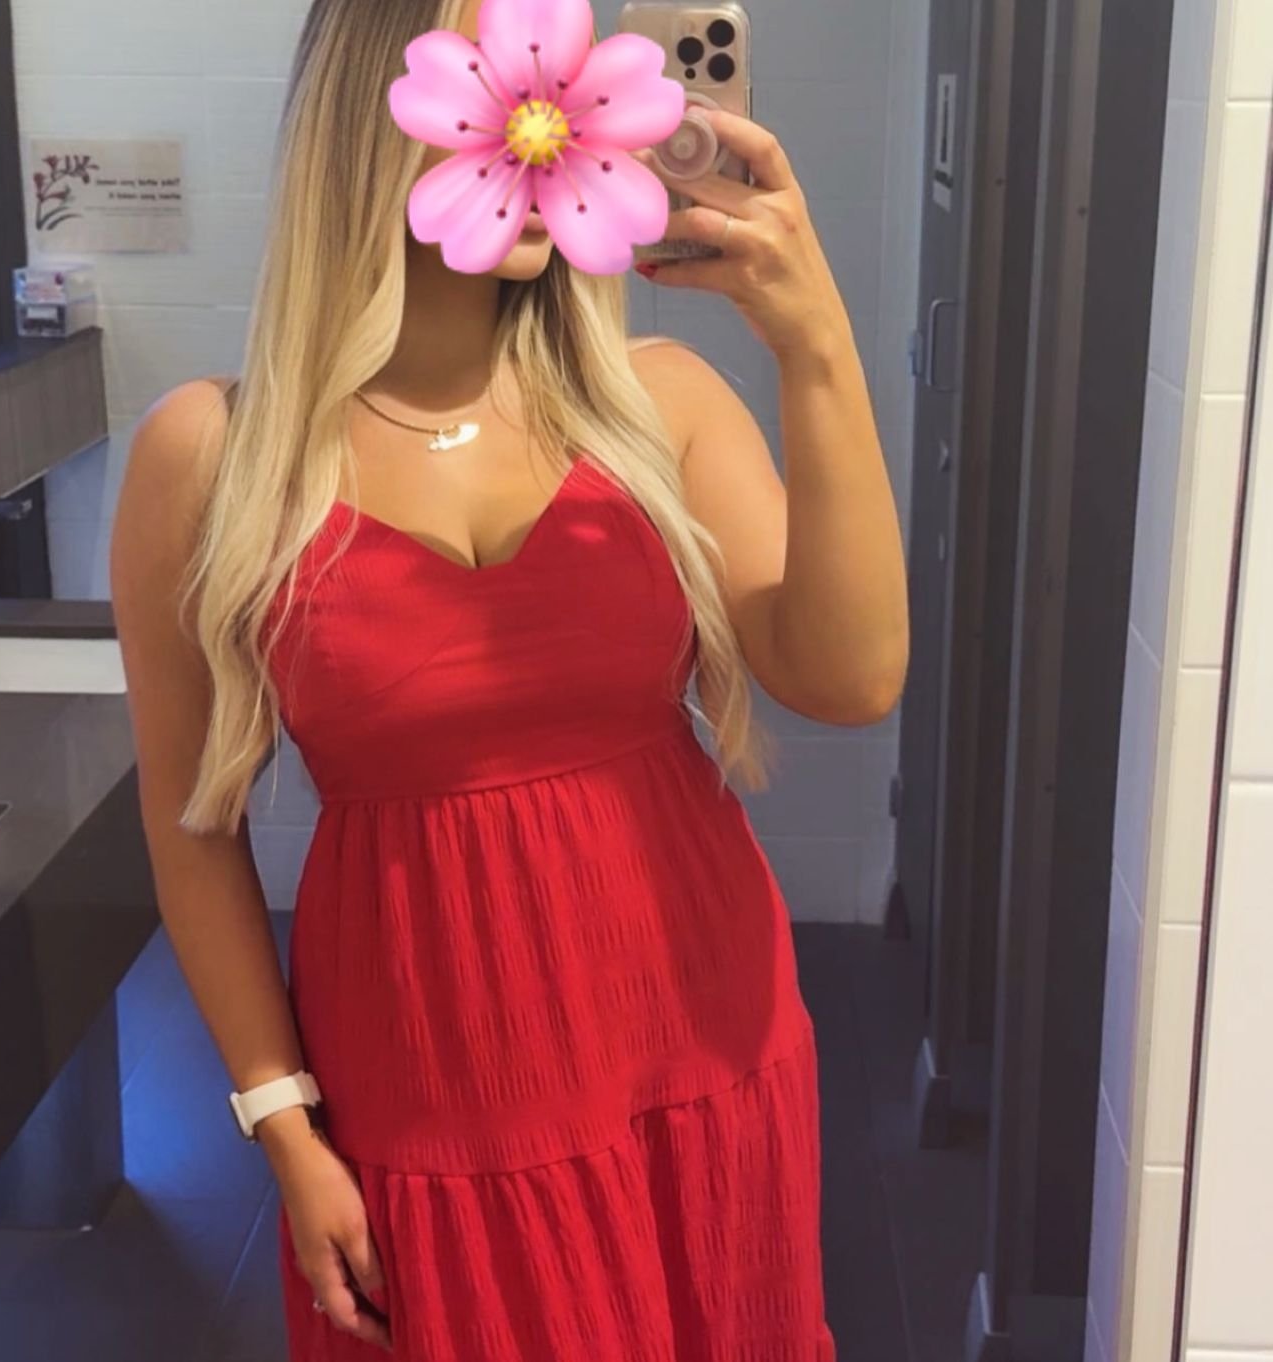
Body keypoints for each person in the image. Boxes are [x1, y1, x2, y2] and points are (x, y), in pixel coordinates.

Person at [110, 0, 908, 1357]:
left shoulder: (661, 408)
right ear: (380, 116)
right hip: (430, 1077)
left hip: (702, 1038)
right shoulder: (216, 458)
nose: (549, 132)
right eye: (500, 89)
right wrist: (281, 1120)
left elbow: (851, 677)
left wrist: (816, 349)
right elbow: (192, 824)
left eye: (570, 87)